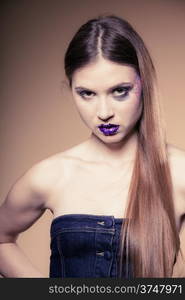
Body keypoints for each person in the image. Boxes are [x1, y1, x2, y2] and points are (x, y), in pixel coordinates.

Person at [0, 14, 185, 278]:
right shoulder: (52, 174)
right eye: (87, 93)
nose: (104, 112)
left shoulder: (179, 172)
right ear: (71, 89)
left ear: (144, 84)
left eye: (119, 90)